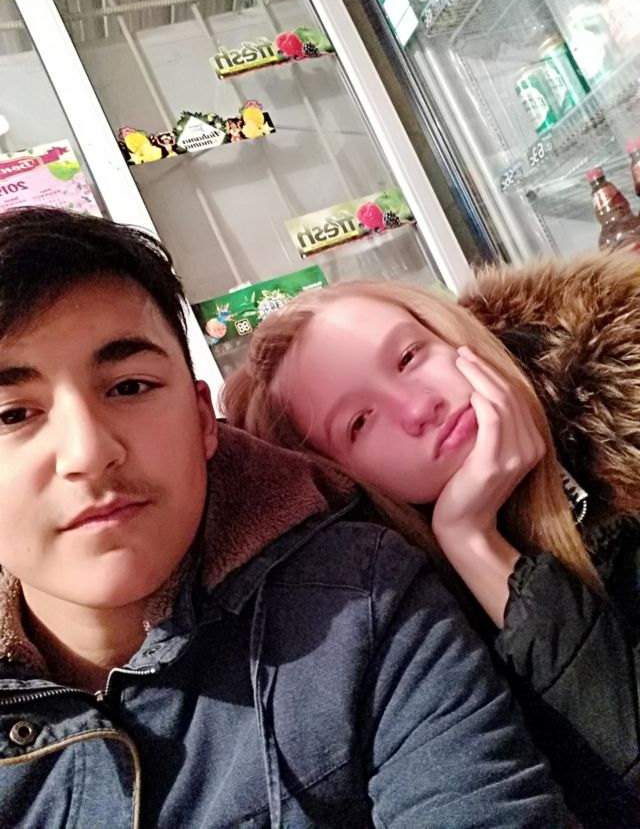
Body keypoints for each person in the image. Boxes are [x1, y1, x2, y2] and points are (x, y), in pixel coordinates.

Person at [0, 206, 565, 829]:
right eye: (12, 415)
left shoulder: (363, 602)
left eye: (129, 386)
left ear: (202, 420)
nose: (89, 452)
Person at [222, 260, 640, 828]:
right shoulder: (405, 632)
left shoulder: (622, 418)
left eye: (408, 357)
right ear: (345, 478)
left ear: (448, 331)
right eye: (359, 422)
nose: (419, 408)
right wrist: (475, 543)